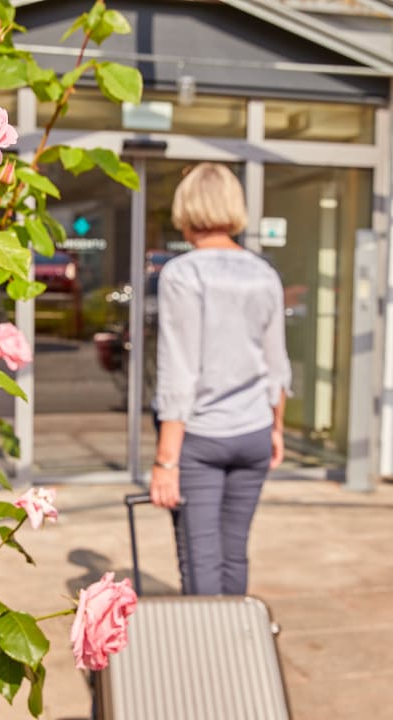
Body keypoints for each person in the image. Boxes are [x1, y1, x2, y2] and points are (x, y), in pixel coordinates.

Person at [150, 163, 292, 596]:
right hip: (254, 431)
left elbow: (179, 370)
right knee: (234, 553)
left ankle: (206, 660)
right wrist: (277, 427)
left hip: (201, 440)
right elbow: (276, 364)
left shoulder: (182, 273)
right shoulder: (264, 273)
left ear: (186, 207)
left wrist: (165, 462)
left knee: (201, 562)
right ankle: (236, 655)